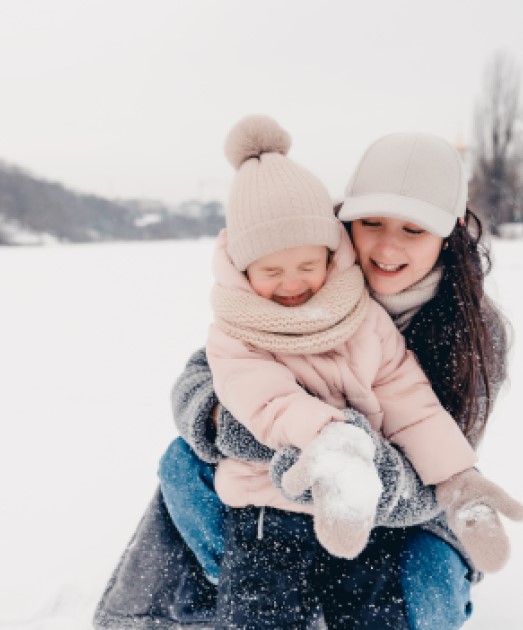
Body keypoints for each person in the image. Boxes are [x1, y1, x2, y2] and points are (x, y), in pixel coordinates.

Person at [94, 128, 521, 630]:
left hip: (405, 511)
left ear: (449, 232)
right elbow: (208, 378)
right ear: (344, 221)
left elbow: (425, 432)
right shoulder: (306, 272)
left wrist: (386, 473)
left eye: (413, 229)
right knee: (182, 466)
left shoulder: (470, 330)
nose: (387, 246)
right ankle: (217, 597)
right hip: (277, 486)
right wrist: (253, 432)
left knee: (414, 599)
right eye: (371, 222)